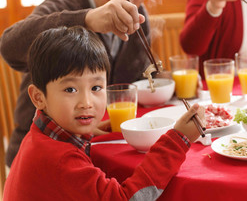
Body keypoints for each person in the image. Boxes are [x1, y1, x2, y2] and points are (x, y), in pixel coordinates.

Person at [3, 26, 204, 200]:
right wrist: (179, 140)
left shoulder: (41, 137)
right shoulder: (62, 161)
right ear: (38, 97)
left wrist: (89, 129)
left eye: (96, 88)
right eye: (70, 90)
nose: (86, 103)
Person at [0, 0, 158, 167]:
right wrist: (87, 19)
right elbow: (9, 46)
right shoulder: (63, 4)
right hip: (41, 154)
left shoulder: (137, 16)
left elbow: (140, 79)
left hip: (96, 146)